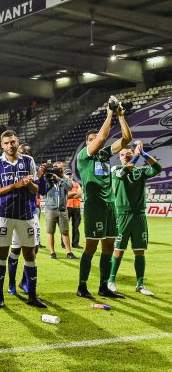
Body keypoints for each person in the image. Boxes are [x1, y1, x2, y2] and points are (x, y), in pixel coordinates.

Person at [76, 98, 132, 300]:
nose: (95, 141)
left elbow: (126, 139)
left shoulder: (104, 156)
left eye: (95, 139)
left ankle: (103, 287)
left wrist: (121, 116)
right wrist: (109, 114)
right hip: (94, 206)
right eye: (91, 139)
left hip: (110, 206)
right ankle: (82, 286)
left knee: (108, 246)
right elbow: (102, 137)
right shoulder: (84, 156)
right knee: (91, 246)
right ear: (86, 143)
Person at [0, 130, 47, 309]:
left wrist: (29, 183)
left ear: (17, 142)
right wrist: (15, 185)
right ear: (1, 145)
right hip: (4, 216)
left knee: (31, 256)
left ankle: (33, 296)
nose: (10, 145)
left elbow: (36, 189)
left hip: (26, 215)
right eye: (6, 143)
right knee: (1, 256)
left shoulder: (28, 161)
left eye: (12, 142)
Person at [108, 141, 162, 296]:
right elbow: (124, 171)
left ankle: (140, 285)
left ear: (133, 153)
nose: (124, 157)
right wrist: (136, 156)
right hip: (122, 216)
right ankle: (111, 282)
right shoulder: (116, 169)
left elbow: (157, 168)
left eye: (128, 154)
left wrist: (144, 154)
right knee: (118, 251)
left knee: (139, 251)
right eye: (122, 155)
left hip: (139, 216)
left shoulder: (141, 171)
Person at [42, 161, 76, 260]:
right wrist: (49, 178)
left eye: (60, 168)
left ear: (63, 169)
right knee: (50, 231)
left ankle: (69, 252)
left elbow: (69, 187)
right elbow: (42, 190)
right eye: (56, 167)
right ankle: (52, 252)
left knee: (65, 232)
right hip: (50, 209)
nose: (59, 169)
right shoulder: (48, 179)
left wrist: (59, 179)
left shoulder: (65, 179)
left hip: (62, 209)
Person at [65, 169, 83, 249]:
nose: (69, 176)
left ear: (72, 175)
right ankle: (64, 243)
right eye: (67, 174)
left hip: (76, 207)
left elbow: (80, 194)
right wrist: (74, 194)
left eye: (70, 174)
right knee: (65, 227)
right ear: (64, 175)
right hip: (67, 207)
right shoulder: (63, 184)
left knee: (76, 227)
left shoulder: (77, 184)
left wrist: (70, 195)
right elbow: (65, 196)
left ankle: (75, 243)